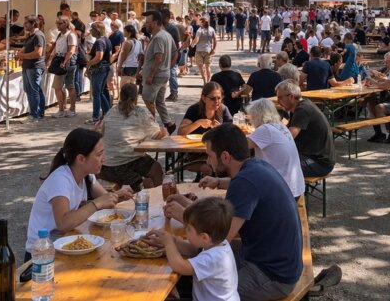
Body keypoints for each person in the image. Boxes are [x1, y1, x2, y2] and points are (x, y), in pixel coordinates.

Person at [154, 124, 304, 301]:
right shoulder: (255, 166)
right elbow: (218, 224)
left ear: (225, 156)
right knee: (201, 259)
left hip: (273, 276)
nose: (208, 162)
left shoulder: (245, 183)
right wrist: (217, 183)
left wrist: (184, 215)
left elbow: (219, 235)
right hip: (273, 259)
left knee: (204, 285)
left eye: (210, 156)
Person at [24, 128, 133, 279]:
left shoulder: (86, 176)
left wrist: (118, 195)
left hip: (66, 244)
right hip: (42, 255)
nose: (104, 159)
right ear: (81, 159)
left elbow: (106, 201)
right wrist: (96, 204)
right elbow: (63, 223)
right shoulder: (60, 179)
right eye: (99, 154)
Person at [152, 196, 240, 301]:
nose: (185, 230)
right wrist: (174, 241)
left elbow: (180, 266)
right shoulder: (219, 244)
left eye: (188, 229)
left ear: (204, 237)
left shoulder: (213, 258)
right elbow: (192, 250)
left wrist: (168, 243)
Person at [99, 83, 166, 190]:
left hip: (106, 165)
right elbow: (158, 135)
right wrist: (164, 130)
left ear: (120, 96)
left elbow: (100, 132)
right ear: (136, 98)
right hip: (124, 163)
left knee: (146, 169)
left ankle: (148, 190)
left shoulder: (111, 112)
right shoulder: (140, 113)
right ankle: (160, 199)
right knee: (156, 169)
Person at [275, 80, 336, 178]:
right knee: (274, 161)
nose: (278, 102)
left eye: (280, 98)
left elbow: (288, 137)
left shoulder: (303, 109)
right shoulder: (301, 106)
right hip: (311, 157)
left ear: (291, 97)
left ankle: (294, 193)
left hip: (319, 163)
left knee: (276, 168)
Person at [245, 98, 305, 198]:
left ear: (257, 115)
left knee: (246, 183)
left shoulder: (266, 129)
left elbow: (240, 145)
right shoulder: (280, 126)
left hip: (283, 189)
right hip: (294, 186)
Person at [141, 10, 176, 130]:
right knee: (160, 101)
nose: (146, 24)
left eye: (148, 22)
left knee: (147, 98)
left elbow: (159, 58)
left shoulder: (159, 37)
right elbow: (175, 52)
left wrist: (151, 75)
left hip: (156, 75)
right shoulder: (166, 35)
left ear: (155, 23)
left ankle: (153, 127)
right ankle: (169, 123)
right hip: (163, 73)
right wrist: (168, 67)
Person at [18, 16, 47, 120]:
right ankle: (36, 112)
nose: (25, 24)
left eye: (27, 23)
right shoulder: (30, 36)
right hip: (28, 66)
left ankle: (35, 114)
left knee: (34, 90)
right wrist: (20, 53)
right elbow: (25, 48)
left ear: (33, 24)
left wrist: (23, 56)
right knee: (30, 90)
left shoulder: (38, 36)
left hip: (35, 66)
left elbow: (38, 53)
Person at [50, 16, 78, 118]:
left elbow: (71, 50)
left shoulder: (71, 35)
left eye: (60, 23)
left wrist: (65, 61)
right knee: (57, 87)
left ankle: (72, 109)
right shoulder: (59, 35)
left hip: (68, 62)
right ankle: (61, 109)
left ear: (66, 24)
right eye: (57, 23)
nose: (58, 25)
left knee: (70, 86)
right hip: (59, 60)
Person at [86, 21, 113, 124]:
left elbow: (99, 56)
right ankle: (107, 113)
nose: (90, 31)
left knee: (96, 94)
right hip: (105, 68)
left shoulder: (99, 42)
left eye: (92, 29)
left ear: (96, 30)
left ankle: (95, 117)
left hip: (99, 69)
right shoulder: (107, 40)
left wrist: (89, 63)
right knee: (100, 93)